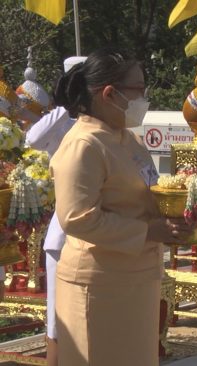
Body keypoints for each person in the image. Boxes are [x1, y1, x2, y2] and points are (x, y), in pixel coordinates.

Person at [50, 48, 189, 365]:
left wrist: (175, 217)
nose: (145, 97)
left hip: (137, 280)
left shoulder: (129, 139)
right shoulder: (84, 144)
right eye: (138, 90)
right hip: (99, 285)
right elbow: (76, 218)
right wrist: (147, 230)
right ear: (109, 94)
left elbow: (144, 195)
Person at [25, 56, 86, 366]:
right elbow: (32, 139)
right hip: (63, 234)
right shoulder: (61, 121)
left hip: (94, 235)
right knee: (56, 317)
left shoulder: (102, 123)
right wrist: (65, 106)